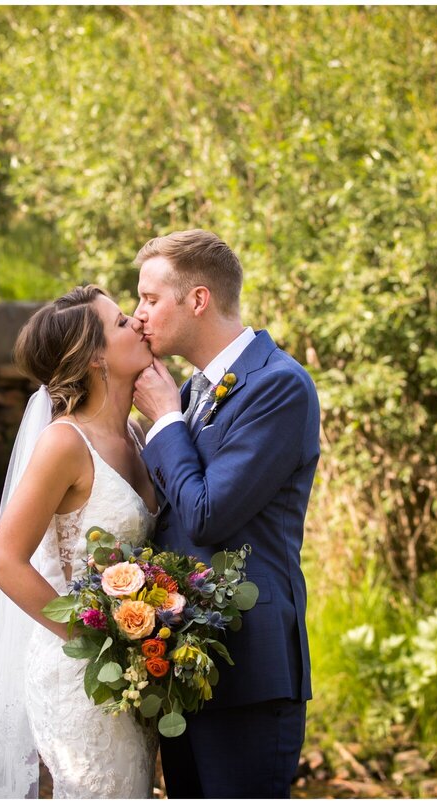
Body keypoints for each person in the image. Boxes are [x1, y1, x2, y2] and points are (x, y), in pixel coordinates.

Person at [131, 229, 319, 798]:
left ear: (198, 300)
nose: (138, 315)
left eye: (149, 298)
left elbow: (208, 514)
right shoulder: (191, 391)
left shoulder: (279, 386)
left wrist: (164, 422)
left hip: (249, 671)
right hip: (182, 667)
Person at [0, 285, 159, 799]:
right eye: (120, 323)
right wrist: (95, 641)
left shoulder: (137, 433)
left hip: (135, 670)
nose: (137, 322)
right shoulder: (64, 442)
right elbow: (3, 560)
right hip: (82, 673)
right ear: (95, 358)